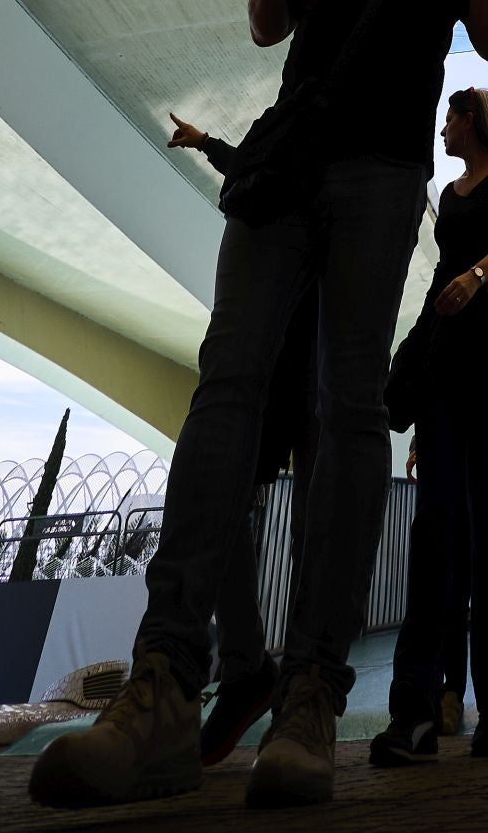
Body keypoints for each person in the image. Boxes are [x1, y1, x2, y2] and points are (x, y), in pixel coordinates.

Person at [30, 0, 488, 812]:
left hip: (382, 173)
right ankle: (166, 678)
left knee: (349, 404)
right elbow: (268, 28)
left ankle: (310, 693)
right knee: (227, 386)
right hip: (288, 161)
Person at [370, 87, 488, 764]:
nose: (443, 129)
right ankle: (416, 707)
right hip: (442, 358)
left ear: (473, 120)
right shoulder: (452, 192)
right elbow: (443, 272)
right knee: (434, 525)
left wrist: (479, 275)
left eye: (451, 118)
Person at [166, 116, 319, 768]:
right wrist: (205, 144)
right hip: (289, 353)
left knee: (296, 515)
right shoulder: (290, 146)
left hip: (308, 353)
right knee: (228, 499)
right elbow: (252, 165)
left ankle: (288, 674)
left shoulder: (337, 164)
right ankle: (251, 665)